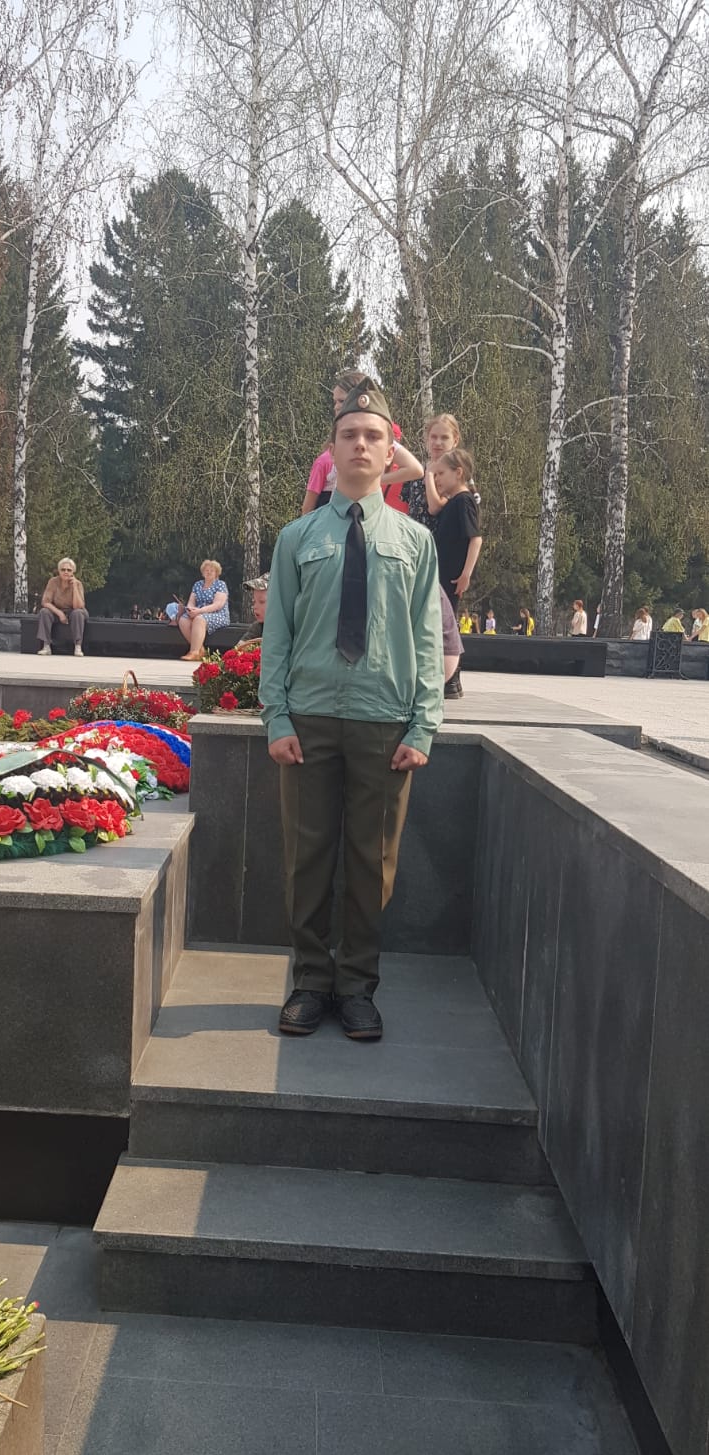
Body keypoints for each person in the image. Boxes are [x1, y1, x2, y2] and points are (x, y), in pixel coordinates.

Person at [260, 376, 444, 1044]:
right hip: (309, 719)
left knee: (373, 861)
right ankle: (311, 982)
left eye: (373, 436)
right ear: (332, 449)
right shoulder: (297, 537)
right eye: (349, 435)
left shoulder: (415, 542)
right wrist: (276, 718)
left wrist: (424, 724)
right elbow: (276, 636)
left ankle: (357, 986)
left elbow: (427, 638)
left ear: (390, 450)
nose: (361, 445)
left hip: (384, 723)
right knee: (307, 858)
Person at [301, 371, 423, 516]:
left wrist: (375, 479)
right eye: (348, 436)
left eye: (341, 401)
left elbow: (415, 469)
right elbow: (308, 507)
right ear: (334, 451)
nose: (336, 407)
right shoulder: (324, 459)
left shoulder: (380, 439)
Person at [430, 448, 482, 699]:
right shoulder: (453, 502)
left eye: (441, 474)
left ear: (458, 473)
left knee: (445, 626)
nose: (437, 478)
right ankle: (450, 679)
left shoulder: (463, 501)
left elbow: (476, 539)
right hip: (443, 574)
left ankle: (450, 679)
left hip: (451, 577)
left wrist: (466, 574)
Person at [178, 560, 230, 661]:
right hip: (198, 612)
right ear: (202, 572)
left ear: (216, 573)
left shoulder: (220, 585)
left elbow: (217, 605)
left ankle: (194, 652)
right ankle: (200, 649)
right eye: (206, 570)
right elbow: (191, 601)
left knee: (199, 619)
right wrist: (190, 610)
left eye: (212, 570)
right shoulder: (197, 584)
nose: (209, 572)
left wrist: (199, 611)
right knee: (183, 620)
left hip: (217, 614)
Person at [36, 559, 89, 657]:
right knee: (44, 612)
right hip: (57, 610)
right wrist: (59, 613)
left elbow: (78, 606)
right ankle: (46, 646)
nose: (66, 572)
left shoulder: (78, 584)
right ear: (59, 571)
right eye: (63, 569)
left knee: (78, 613)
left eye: (69, 570)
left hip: (74, 611)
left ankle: (78, 646)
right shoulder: (53, 582)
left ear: (73, 572)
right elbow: (45, 602)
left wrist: (74, 588)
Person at [233, 573, 268, 648]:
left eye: (262, 601)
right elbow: (238, 649)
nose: (255, 607)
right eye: (254, 602)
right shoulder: (258, 627)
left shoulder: (289, 628)